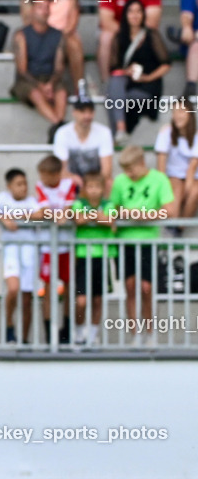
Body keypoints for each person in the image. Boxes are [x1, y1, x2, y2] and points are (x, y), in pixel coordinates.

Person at [109, 146, 175, 347]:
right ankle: (135, 335)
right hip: (125, 242)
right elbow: (113, 207)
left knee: (147, 288)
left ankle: (151, 333)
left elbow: (169, 211)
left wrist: (143, 216)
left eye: (131, 169)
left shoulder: (159, 179)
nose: (128, 174)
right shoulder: (120, 181)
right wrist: (120, 214)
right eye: (125, 170)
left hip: (149, 242)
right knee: (130, 287)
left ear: (141, 164)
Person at [0, 168, 39, 345]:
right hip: (12, 251)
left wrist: (18, 216)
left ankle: (24, 338)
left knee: (27, 297)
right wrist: (4, 219)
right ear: (9, 186)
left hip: (29, 252)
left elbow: (42, 213)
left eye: (25, 183)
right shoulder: (3, 199)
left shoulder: (31, 201)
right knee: (13, 288)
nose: (23, 187)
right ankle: (9, 325)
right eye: (19, 184)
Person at [105, 0, 170, 145]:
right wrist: (127, 71)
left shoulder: (151, 35)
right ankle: (120, 130)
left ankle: (117, 135)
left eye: (138, 11)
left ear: (143, 15)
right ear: (125, 15)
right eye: (131, 11)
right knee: (114, 88)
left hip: (148, 86)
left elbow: (166, 64)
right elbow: (113, 67)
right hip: (127, 84)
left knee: (114, 99)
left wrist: (147, 77)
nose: (135, 15)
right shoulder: (119, 37)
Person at [21, 0, 84, 90]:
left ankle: (80, 92)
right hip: (40, 36)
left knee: (75, 45)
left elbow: (73, 17)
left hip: (64, 35)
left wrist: (62, 36)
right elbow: (27, 18)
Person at [69, 172, 116, 348]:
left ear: (103, 189)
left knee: (97, 299)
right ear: (85, 190)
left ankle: (94, 334)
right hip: (83, 257)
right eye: (90, 187)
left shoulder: (108, 204)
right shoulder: (78, 204)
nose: (94, 191)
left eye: (97, 187)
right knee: (82, 300)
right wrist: (96, 216)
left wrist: (93, 217)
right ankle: (79, 330)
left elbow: (110, 220)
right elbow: (79, 220)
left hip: (102, 257)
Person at [11, 0, 67, 141]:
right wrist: (41, 87)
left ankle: (58, 129)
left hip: (49, 78)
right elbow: (22, 70)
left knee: (61, 92)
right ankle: (60, 127)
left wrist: (51, 84)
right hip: (28, 80)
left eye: (47, 7)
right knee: (35, 93)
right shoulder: (21, 35)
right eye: (40, 7)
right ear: (32, 10)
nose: (44, 11)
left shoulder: (58, 35)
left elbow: (59, 67)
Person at [35, 154, 77, 345]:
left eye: (47, 176)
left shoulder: (68, 185)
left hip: (66, 245)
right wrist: (58, 215)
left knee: (69, 288)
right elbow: (45, 211)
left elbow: (69, 208)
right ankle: (49, 332)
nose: (44, 180)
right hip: (47, 246)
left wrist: (62, 215)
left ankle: (66, 329)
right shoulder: (40, 186)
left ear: (57, 174)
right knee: (48, 288)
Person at [98, 0, 162, 85]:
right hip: (117, 31)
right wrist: (127, 33)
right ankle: (106, 83)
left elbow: (152, 22)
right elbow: (106, 21)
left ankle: (148, 82)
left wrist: (135, 35)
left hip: (141, 33)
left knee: (152, 37)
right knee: (106, 37)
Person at [52, 97, 114, 195]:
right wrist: (73, 178)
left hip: (96, 181)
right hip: (73, 180)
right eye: (82, 111)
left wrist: (92, 184)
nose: (87, 116)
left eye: (90, 112)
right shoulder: (62, 133)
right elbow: (61, 169)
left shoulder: (104, 132)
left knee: (109, 182)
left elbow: (106, 170)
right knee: (59, 181)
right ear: (74, 112)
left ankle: (106, 208)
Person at [154, 99, 198, 211]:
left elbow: (192, 168)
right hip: (173, 175)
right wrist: (162, 186)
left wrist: (187, 188)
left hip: (193, 176)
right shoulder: (165, 132)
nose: (177, 116)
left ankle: (180, 227)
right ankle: (173, 221)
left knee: (194, 192)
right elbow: (161, 163)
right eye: (174, 112)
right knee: (176, 189)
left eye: (181, 111)